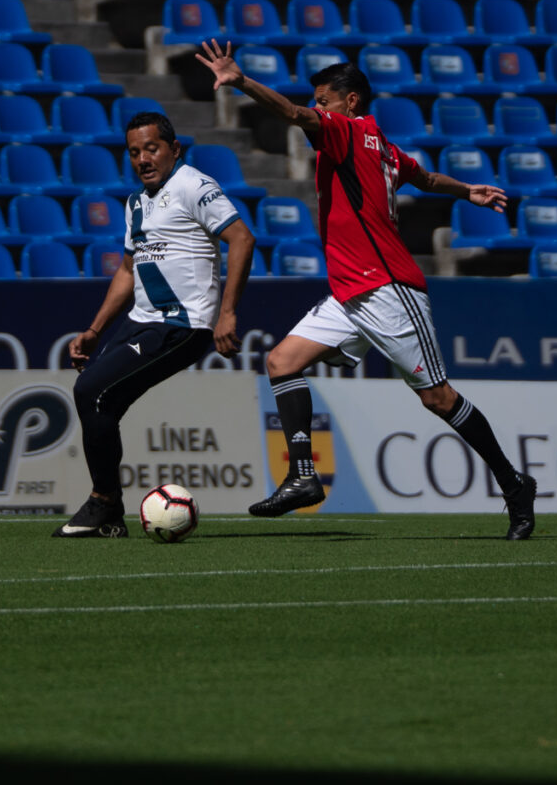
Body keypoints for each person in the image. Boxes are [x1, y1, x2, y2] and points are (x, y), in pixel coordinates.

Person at [193, 43, 539, 539]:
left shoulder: (347, 132)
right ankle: (303, 476)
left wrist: (241, 80)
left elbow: (292, 114)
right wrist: (467, 190)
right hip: (351, 293)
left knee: (438, 398)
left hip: (389, 290)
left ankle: (513, 484)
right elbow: (426, 177)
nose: (317, 109)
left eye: (324, 101)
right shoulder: (384, 148)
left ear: (350, 101)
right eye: (317, 103)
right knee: (282, 362)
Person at [59, 114, 257, 537]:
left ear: (174, 149)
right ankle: (108, 513)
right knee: (97, 401)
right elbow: (127, 269)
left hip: (182, 324)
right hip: (142, 320)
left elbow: (242, 238)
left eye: (152, 149)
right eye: (134, 152)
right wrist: (94, 330)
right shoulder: (135, 203)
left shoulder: (193, 185)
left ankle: (104, 504)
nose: (143, 159)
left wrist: (227, 313)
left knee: (91, 390)